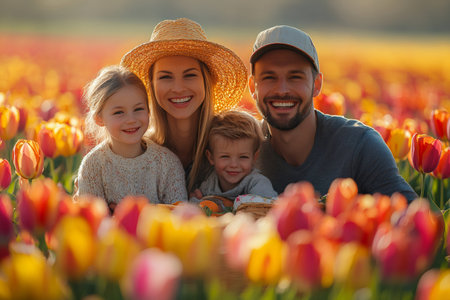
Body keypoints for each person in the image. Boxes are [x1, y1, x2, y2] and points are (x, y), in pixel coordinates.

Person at [248, 25, 418, 202]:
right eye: (269, 77)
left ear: (317, 84)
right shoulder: (240, 151)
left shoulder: (359, 146)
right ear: (253, 87)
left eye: (295, 77)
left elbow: (413, 219)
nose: (282, 90)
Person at [121, 18, 248, 193]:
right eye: (165, 77)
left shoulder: (236, 143)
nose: (178, 88)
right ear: (151, 85)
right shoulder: (138, 151)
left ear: (207, 81)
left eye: (190, 75)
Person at [75, 65, 187, 210]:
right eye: (119, 112)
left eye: (138, 109)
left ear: (148, 111)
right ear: (99, 118)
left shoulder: (167, 164)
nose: (131, 119)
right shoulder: (93, 166)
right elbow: (91, 219)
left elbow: (181, 216)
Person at [190, 110, 277, 205]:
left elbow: (265, 208)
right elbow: (199, 205)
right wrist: (195, 199)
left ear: (254, 157)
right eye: (225, 156)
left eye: (243, 157)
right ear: (211, 158)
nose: (234, 165)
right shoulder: (210, 183)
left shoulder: (257, 183)